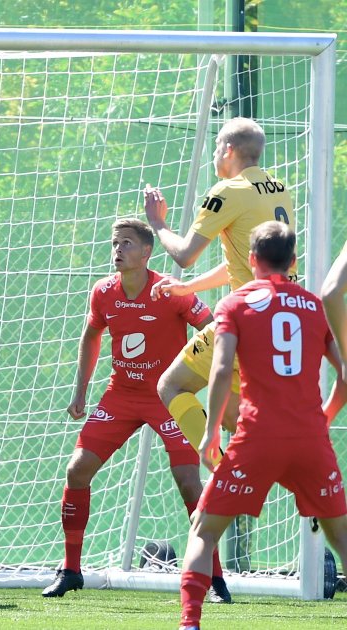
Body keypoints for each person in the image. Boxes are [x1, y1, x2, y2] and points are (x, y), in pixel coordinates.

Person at [40, 219, 222, 599]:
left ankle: (214, 577)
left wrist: (209, 381)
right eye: (114, 243)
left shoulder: (170, 291)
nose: (117, 250)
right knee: (77, 469)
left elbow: (213, 326)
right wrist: (80, 391)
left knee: (190, 481)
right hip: (120, 395)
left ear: (146, 252)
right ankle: (71, 569)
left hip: (168, 398)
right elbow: (91, 335)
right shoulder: (103, 292)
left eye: (126, 243)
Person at [179, 222, 347, 630]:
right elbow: (344, 377)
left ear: (251, 259)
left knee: (203, 530)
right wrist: (324, 417)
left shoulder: (234, 305)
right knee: (342, 538)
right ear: (293, 261)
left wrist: (210, 432)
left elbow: (221, 371)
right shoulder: (315, 306)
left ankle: (189, 623)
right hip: (309, 439)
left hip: (256, 438)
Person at [144, 117, 295, 468]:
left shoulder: (227, 192)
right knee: (232, 416)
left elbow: (184, 253)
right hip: (282, 317)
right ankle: (289, 470)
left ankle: (223, 473)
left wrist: (158, 224)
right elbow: (245, 262)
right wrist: (190, 287)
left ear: (228, 151)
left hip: (246, 319)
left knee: (172, 386)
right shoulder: (278, 189)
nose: (214, 155)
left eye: (216, 147)